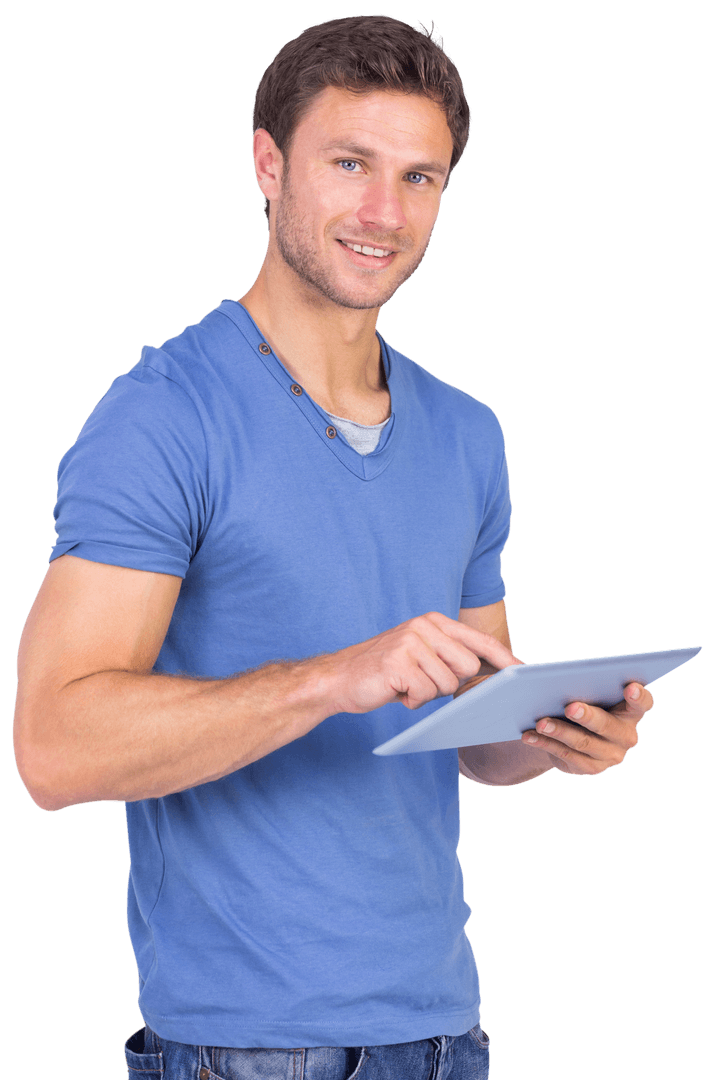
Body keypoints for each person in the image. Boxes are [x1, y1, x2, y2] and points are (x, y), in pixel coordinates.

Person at [13, 14, 653, 1080]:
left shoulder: (467, 432)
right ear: (268, 163)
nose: (381, 213)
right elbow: (52, 748)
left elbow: (476, 739)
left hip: (446, 1035)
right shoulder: (164, 416)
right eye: (348, 164)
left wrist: (551, 732)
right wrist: (333, 677)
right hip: (250, 1050)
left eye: (419, 178)